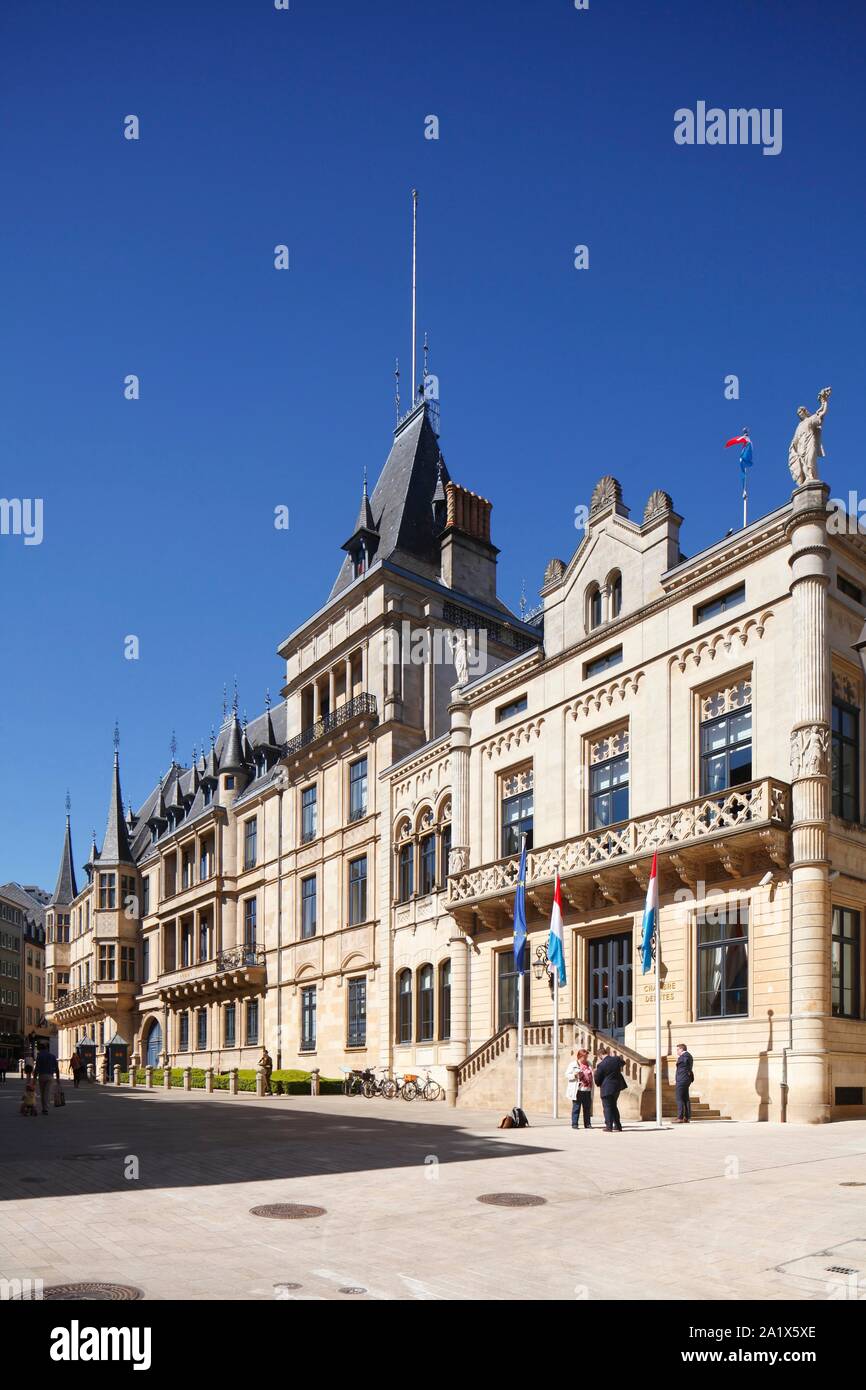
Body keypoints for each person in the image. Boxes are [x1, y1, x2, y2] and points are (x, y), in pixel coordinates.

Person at [594, 1044, 627, 1132]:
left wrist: (597, 1080)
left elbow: (597, 1078)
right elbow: (623, 1063)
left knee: (607, 1107)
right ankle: (618, 1126)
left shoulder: (601, 1065)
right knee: (614, 1106)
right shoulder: (616, 1059)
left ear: (600, 1055)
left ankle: (609, 1126)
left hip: (607, 1088)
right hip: (617, 1087)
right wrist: (615, 1057)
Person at [566, 1048, 594, 1129]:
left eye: (586, 1057)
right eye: (584, 1057)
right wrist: (574, 1075)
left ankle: (587, 1124)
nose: (585, 1059)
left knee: (587, 1108)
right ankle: (574, 1124)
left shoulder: (589, 1064)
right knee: (576, 1108)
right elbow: (567, 1075)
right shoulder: (573, 1064)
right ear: (579, 1056)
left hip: (587, 1090)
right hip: (578, 1090)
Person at [33, 1042, 60, 1115]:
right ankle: (46, 1109)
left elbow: (36, 1068)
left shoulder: (39, 1056)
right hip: (50, 1076)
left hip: (41, 1076)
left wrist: (34, 1079)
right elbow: (57, 1068)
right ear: (47, 1049)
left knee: (42, 1093)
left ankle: (43, 1108)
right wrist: (58, 1078)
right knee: (47, 1093)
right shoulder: (53, 1056)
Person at [675, 1042, 694, 1123]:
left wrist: (679, 1060)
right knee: (685, 1098)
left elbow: (685, 1063)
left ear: (681, 1049)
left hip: (682, 1080)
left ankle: (680, 1117)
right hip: (686, 1079)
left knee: (679, 1098)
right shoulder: (688, 1056)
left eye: (677, 1050)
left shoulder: (684, 1056)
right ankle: (687, 1117)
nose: (677, 1052)